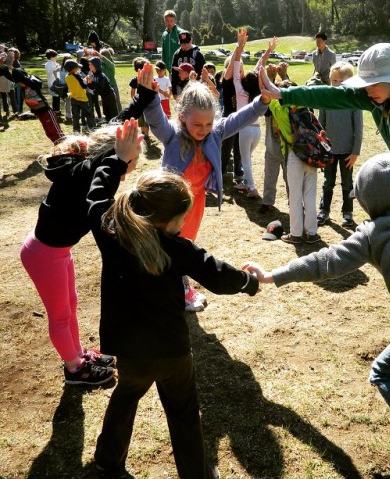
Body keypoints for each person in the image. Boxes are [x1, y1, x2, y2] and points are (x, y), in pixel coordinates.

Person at [244, 83, 390, 478]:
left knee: (384, 372)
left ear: (366, 200)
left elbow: (325, 262)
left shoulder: (372, 235)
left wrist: (273, 276)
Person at [86, 123, 259, 477]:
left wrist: (118, 161)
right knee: (183, 412)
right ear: (169, 221)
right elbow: (219, 275)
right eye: (181, 219)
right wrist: (248, 282)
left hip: (131, 352)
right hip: (173, 352)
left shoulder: (111, 230)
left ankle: (107, 462)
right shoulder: (178, 248)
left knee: (124, 400)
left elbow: (96, 194)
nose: (182, 226)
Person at [260, 43, 390, 248]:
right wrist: (284, 94)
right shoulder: (372, 95)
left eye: (374, 83)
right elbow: (332, 95)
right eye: (366, 82)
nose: (368, 90)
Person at [135, 62, 270, 311]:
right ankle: (168, 286)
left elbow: (240, 118)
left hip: (194, 202)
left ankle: (181, 286)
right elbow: (155, 120)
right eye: (198, 125)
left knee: (185, 245)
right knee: (167, 245)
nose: (204, 130)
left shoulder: (214, 133)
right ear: (182, 116)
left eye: (208, 124)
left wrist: (262, 101)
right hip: (170, 203)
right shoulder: (172, 136)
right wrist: (149, 96)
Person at [19, 122, 141, 386]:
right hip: (44, 255)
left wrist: (142, 97)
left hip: (58, 252)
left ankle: (79, 355)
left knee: (71, 305)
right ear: (113, 156)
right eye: (133, 159)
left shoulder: (90, 168)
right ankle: (74, 369)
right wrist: (119, 158)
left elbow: (117, 128)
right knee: (60, 315)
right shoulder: (84, 174)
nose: (132, 166)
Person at [260, 68, 320, 244]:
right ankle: (312, 233)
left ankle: (296, 234)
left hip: (294, 154)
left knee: (294, 196)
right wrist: (285, 76)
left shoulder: (278, 107)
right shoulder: (304, 105)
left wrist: (264, 71)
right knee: (309, 195)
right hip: (311, 152)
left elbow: (266, 90)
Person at [226, 30, 276, 199]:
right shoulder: (255, 93)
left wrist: (240, 46)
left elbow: (236, 66)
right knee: (247, 159)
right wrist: (268, 52)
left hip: (245, 131)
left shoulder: (240, 91)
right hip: (257, 131)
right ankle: (246, 184)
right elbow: (259, 67)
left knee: (245, 160)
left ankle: (252, 188)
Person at [317, 61, 363, 228]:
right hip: (329, 150)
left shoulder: (353, 101)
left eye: (337, 81)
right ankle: (324, 211)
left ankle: (347, 212)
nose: (333, 84)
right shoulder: (326, 99)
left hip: (347, 152)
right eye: (332, 80)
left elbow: (359, 129)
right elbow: (320, 127)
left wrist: (355, 152)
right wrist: (321, 148)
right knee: (327, 182)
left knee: (347, 183)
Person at [260, 62, 290, 214]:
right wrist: (270, 78)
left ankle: (295, 201)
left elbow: (292, 91)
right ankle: (267, 201)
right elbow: (266, 96)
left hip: (289, 150)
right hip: (272, 147)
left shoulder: (289, 106)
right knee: (270, 176)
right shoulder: (270, 107)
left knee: (290, 177)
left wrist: (284, 76)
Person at [11, 68, 65, 143]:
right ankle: (57, 146)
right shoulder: (23, 88)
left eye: (20, 83)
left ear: (22, 80)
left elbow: (38, 83)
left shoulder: (32, 82)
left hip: (45, 111)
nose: (19, 85)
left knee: (55, 130)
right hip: (38, 112)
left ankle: (64, 146)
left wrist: (25, 80)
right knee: (48, 132)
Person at [170, 31, 206, 100]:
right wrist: (174, 91)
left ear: (191, 40)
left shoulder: (197, 54)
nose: (185, 45)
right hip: (181, 88)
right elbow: (174, 73)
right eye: (183, 43)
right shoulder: (177, 54)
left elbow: (203, 71)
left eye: (187, 42)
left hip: (195, 86)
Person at [64, 59, 96, 133]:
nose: (78, 69)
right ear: (73, 68)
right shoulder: (77, 76)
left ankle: (76, 131)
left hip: (74, 98)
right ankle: (92, 129)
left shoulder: (67, 76)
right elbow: (84, 86)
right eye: (77, 67)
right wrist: (87, 81)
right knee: (88, 115)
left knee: (75, 116)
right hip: (83, 99)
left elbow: (76, 84)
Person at [87, 56, 118, 122]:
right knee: (107, 114)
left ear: (96, 65)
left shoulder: (101, 76)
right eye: (89, 64)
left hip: (109, 96)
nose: (89, 66)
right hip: (104, 97)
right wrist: (89, 83)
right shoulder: (93, 75)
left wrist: (91, 83)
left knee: (113, 114)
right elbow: (93, 87)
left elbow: (99, 89)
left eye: (91, 64)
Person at [129, 57, 151, 144]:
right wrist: (134, 100)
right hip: (140, 102)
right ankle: (144, 133)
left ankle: (146, 134)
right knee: (141, 119)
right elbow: (133, 91)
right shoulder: (135, 80)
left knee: (146, 119)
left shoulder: (149, 79)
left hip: (146, 103)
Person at [44, 49, 61, 116]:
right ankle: (55, 110)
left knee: (57, 97)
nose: (56, 58)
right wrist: (56, 68)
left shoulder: (55, 63)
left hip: (57, 82)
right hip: (52, 82)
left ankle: (57, 110)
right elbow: (50, 73)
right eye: (55, 56)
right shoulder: (48, 64)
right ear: (51, 57)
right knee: (55, 97)